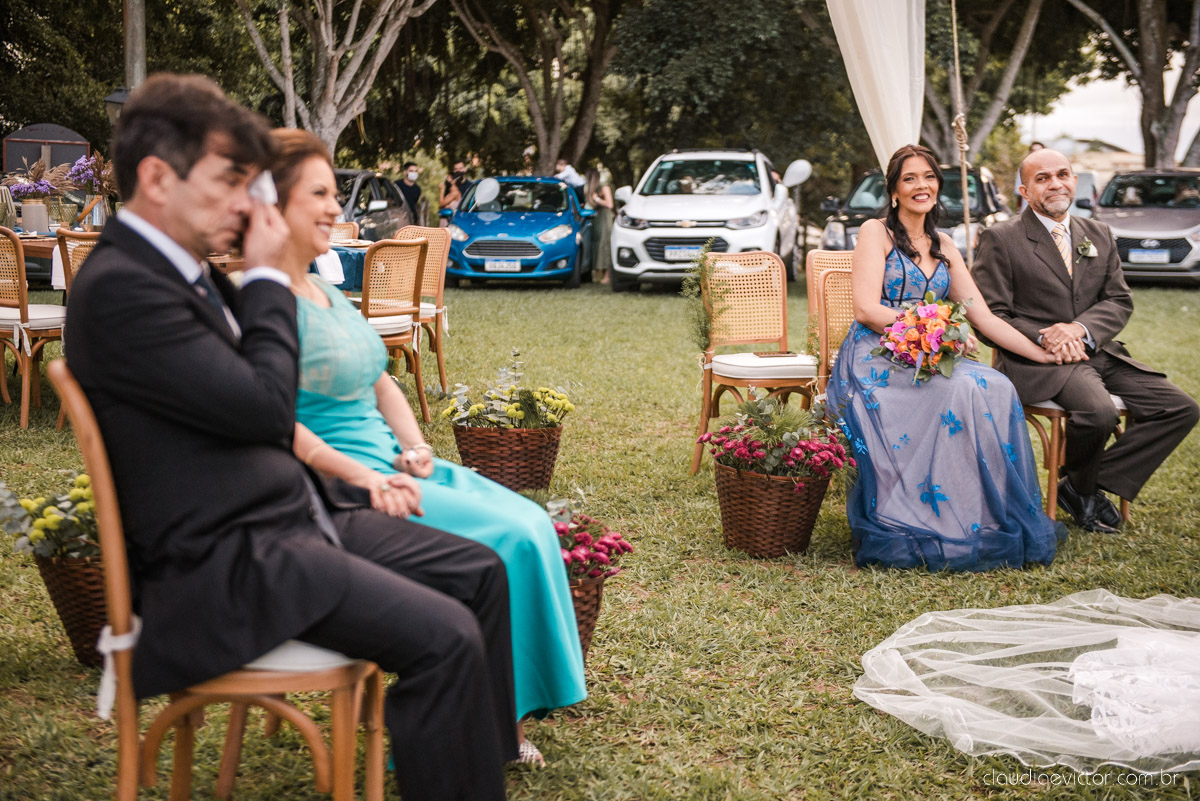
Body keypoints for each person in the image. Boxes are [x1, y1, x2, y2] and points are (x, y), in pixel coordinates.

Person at [63, 74, 517, 800]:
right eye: (226, 183)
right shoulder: (124, 285)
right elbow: (268, 405)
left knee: (480, 571)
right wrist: (272, 277)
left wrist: (356, 478)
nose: (245, 203)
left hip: (294, 521)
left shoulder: (178, 272)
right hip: (232, 564)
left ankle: (479, 762)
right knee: (446, 635)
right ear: (155, 177)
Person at [267, 127, 586, 765]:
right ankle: (494, 727)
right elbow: (270, 420)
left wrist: (415, 446)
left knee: (530, 520)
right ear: (272, 204)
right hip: (347, 484)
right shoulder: (263, 304)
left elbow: (381, 379)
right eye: (321, 193)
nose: (338, 208)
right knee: (510, 539)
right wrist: (373, 475)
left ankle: (503, 708)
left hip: (399, 461)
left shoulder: (325, 291)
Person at [826, 144, 1065, 572]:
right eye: (910, 178)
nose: (922, 186)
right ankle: (916, 516)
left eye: (929, 177)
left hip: (930, 351)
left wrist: (1039, 354)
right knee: (959, 387)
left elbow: (983, 316)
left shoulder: (945, 244)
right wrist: (932, 325)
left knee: (995, 384)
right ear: (895, 190)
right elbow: (866, 309)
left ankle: (977, 516)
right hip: (876, 354)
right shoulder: (874, 232)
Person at [974, 147, 1198, 533]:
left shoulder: (1099, 233)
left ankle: (1079, 486)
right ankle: (1083, 490)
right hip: (1036, 360)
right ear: (1025, 192)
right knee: (1099, 413)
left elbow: (1118, 300)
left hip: (1098, 351)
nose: (1055, 183)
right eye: (1042, 178)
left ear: (1075, 181)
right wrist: (1051, 337)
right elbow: (992, 314)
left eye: (1062, 174)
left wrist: (1079, 330)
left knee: (1180, 408)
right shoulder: (1001, 238)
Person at [586, 166, 613, 284]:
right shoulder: (589, 189)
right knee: (597, 245)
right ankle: (597, 275)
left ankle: (608, 276)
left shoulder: (604, 187)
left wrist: (597, 199)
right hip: (596, 218)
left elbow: (610, 204)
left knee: (605, 244)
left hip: (605, 218)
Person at [1013, 140, 1044, 212]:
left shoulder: (1051, 168)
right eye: (1033, 150)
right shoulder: (1023, 168)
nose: (1036, 153)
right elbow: (1018, 192)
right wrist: (1019, 210)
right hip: (1027, 209)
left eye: (1039, 151)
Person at [438, 160, 468, 226]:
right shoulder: (450, 189)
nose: (458, 171)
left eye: (460, 168)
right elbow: (441, 207)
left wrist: (441, 190)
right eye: (456, 169)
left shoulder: (469, 186)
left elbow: (441, 204)